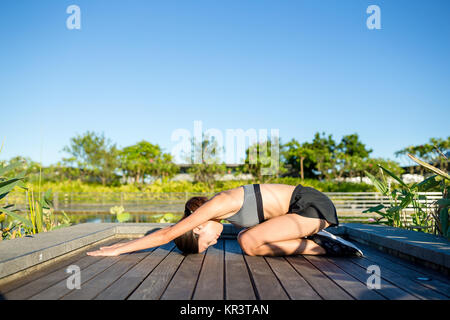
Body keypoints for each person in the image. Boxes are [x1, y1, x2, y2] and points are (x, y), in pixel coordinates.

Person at [87, 184, 363, 257]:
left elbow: (165, 235)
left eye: (204, 244)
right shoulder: (226, 216)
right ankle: (318, 242)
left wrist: (117, 248)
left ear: (198, 226)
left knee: (249, 240)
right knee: (248, 241)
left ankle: (328, 246)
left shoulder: (218, 204)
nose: (212, 243)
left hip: (310, 205)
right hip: (301, 217)